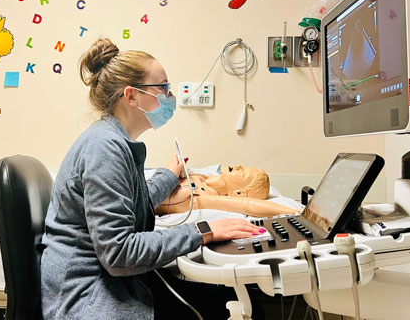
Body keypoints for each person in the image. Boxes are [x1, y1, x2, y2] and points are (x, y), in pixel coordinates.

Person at [40, 38, 263, 320]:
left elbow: (133, 201)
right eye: (163, 88)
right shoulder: (105, 148)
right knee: (221, 305)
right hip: (88, 297)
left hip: (108, 282)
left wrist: (169, 175)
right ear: (131, 96)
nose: (170, 97)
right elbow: (119, 254)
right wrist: (203, 231)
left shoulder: (113, 140)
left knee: (222, 298)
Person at [156, 165, 301, 217]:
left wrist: (294, 212)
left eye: (243, 172)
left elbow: (247, 205)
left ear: (239, 193)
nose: (238, 166)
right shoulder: (200, 176)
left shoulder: (201, 197)